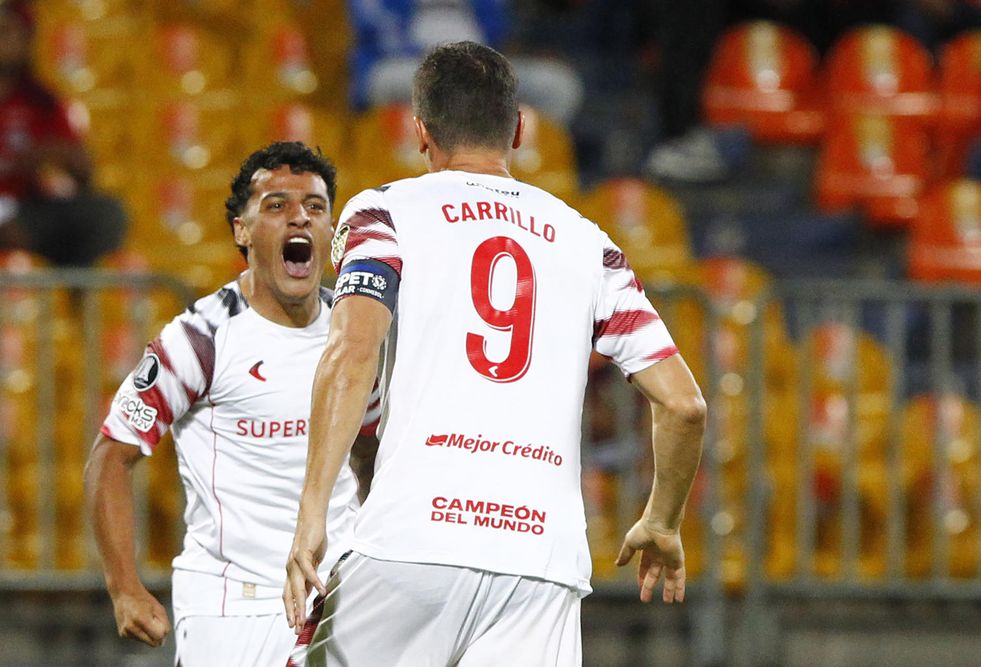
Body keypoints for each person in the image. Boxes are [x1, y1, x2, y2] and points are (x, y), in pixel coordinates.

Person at [284, 41, 706, 666]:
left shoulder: (385, 213)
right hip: (539, 565)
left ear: (421, 131)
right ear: (516, 129)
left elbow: (352, 352)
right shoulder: (589, 244)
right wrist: (661, 520)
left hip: (412, 541)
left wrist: (313, 512)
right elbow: (684, 404)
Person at [84, 142, 378, 666]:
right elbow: (111, 454)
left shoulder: (354, 335)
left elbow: (370, 453)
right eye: (276, 205)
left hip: (339, 606)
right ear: (242, 231)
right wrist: (124, 586)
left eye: (315, 207)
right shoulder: (201, 337)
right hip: (232, 610)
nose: (300, 219)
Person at [0, 0, 126, 266]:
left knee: (105, 213)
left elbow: (83, 173)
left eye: (9, 31)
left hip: (25, 209)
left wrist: (58, 156)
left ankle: (76, 298)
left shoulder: (42, 102)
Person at [348, 0, 583, 128]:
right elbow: (377, 30)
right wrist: (439, 60)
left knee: (556, 86)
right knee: (387, 81)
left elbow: (500, 36)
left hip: (480, 66)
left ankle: (515, 168)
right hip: (412, 65)